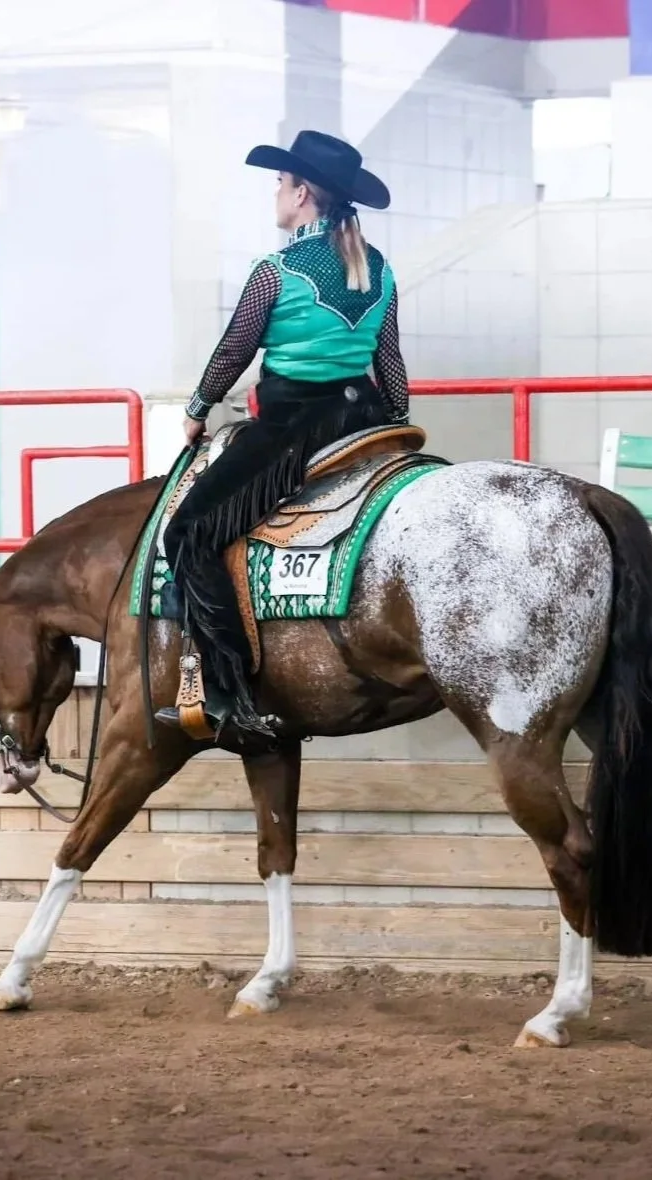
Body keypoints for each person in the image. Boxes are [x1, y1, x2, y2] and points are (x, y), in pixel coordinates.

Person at [155, 130, 411, 748]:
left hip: (295, 427)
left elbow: (233, 352)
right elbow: (391, 368)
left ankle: (229, 692)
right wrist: (394, 426)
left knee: (187, 532)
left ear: (301, 194)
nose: (275, 192)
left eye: (280, 182)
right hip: (365, 418)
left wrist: (197, 410)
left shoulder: (276, 271)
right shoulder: (379, 268)